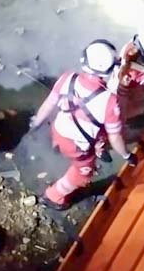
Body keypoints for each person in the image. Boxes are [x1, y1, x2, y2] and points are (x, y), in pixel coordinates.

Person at [29, 40, 135, 210]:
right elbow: (115, 137)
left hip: (59, 131)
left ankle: (89, 149)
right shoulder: (110, 101)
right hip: (77, 146)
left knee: (94, 133)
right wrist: (126, 155)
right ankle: (53, 196)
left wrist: (36, 123)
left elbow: (49, 104)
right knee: (82, 173)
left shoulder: (68, 78)